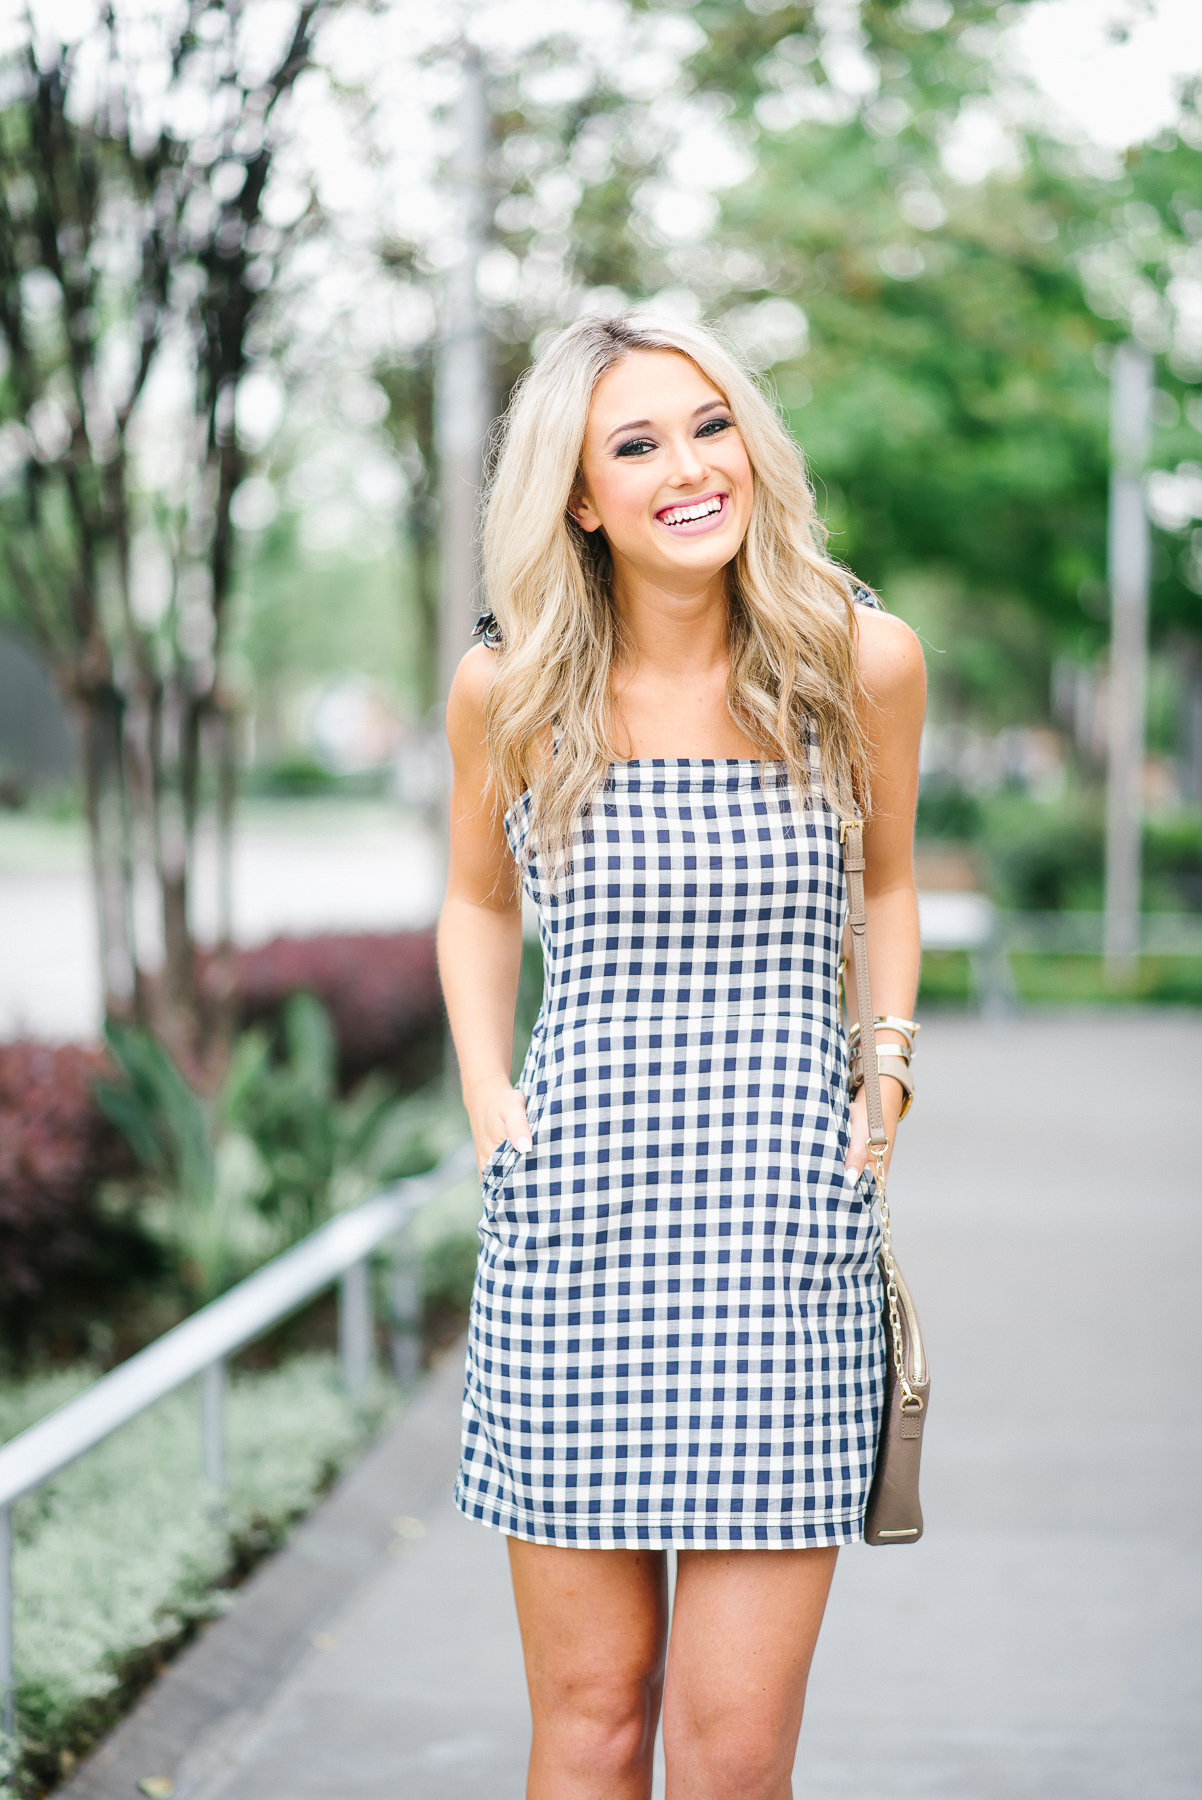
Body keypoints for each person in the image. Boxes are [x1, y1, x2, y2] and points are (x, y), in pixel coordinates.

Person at [437, 311, 925, 1800]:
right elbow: (473, 903)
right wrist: (490, 1106)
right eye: (635, 445)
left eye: (709, 426)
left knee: (730, 1751)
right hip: (574, 1236)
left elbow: (889, 882)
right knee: (588, 1727)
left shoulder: (859, 657)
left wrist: (886, 1067)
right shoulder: (511, 686)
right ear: (579, 497)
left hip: (780, 1242)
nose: (688, 466)